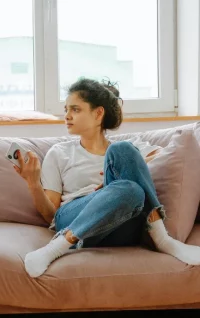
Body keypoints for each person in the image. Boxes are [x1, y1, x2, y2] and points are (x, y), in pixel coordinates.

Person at [14, 78, 200, 278]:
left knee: (127, 170)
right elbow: (51, 215)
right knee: (130, 185)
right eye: (66, 109)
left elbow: (167, 156)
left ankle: (162, 240)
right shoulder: (59, 152)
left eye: (75, 110)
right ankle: (57, 247)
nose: (67, 116)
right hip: (75, 215)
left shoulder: (127, 147)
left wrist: (116, 185)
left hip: (122, 221)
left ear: (98, 113)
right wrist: (33, 183)